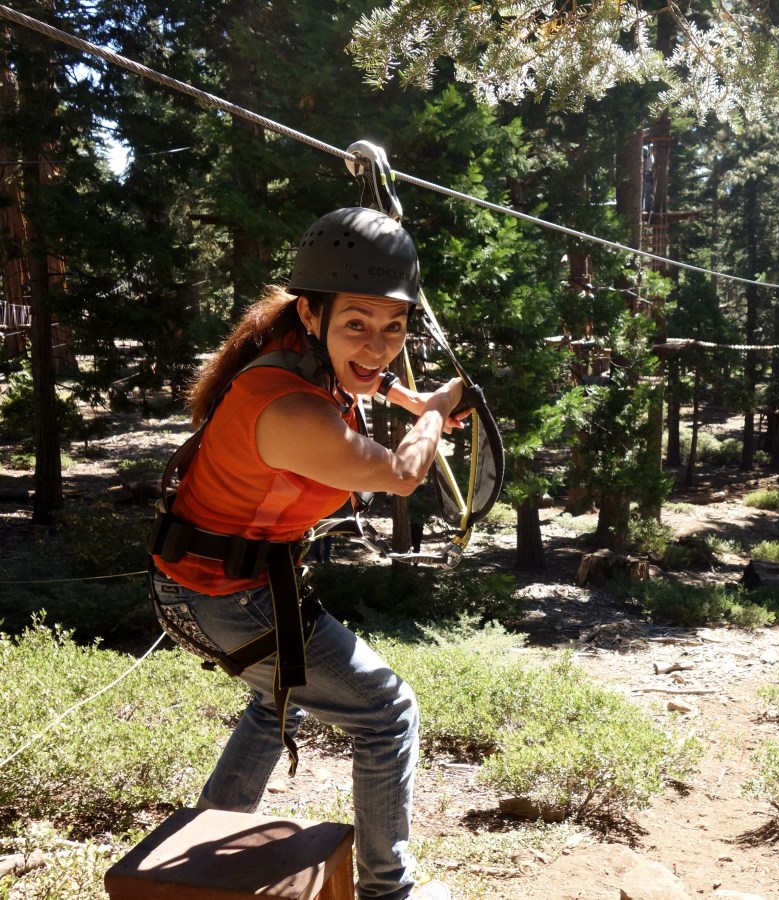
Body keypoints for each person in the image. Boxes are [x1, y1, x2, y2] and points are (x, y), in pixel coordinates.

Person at [148, 206, 462, 900]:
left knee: (277, 702)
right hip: (226, 596)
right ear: (312, 314)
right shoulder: (289, 409)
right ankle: (388, 892)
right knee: (388, 711)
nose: (378, 345)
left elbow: (364, 373)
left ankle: (207, 843)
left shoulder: (298, 345)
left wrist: (409, 399)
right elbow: (400, 474)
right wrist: (437, 412)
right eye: (357, 324)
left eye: (394, 327)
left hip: (213, 583)